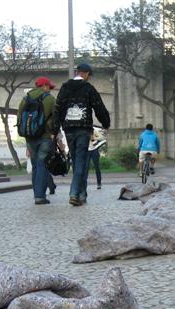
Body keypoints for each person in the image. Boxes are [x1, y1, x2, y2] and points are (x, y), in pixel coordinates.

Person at [51, 63, 110, 207]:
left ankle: (82, 194)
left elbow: (57, 109)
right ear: (86, 73)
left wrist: (55, 130)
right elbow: (99, 106)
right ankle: (74, 193)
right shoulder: (88, 88)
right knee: (81, 162)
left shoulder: (65, 88)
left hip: (68, 130)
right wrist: (105, 123)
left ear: (77, 72)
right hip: (83, 129)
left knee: (77, 161)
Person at [19, 76, 57, 205]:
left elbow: (20, 118)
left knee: (35, 165)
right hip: (45, 137)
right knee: (42, 164)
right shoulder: (49, 99)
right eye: (49, 87)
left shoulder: (25, 99)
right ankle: (40, 196)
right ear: (44, 86)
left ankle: (36, 194)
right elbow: (56, 117)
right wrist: (54, 133)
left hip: (30, 137)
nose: (49, 90)